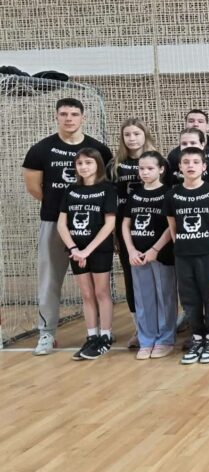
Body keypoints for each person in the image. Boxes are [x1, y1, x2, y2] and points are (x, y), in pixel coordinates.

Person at [23, 98, 112, 355]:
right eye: (64, 114)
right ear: (56, 117)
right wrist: (65, 208)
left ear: (83, 117)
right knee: (49, 278)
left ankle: (101, 332)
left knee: (96, 284)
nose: (69, 118)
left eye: (74, 114)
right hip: (55, 223)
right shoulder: (41, 149)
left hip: (94, 227)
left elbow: (106, 183)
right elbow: (33, 187)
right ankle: (47, 333)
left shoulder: (99, 149)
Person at [165, 147, 209, 365]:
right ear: (180, 167)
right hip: (183, 254)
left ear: (203, 166)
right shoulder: (172, 195)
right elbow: (172, 225)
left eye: (195, 162)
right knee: (190, 298)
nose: (190, 166)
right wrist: (181, 244)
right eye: (186, 162)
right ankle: (197, 337)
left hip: (208, 254)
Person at [57, 148, 117, 360]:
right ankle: (92, 336)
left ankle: (106, 336)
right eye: (80, 163)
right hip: (76, 251)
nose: (83, 167)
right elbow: (61, 223)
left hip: (98, 249)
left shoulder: (107, 189)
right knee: (87, 294)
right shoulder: (71, 190)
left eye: (88, 162)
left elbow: (110, 223)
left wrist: (87, 251)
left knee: (101, 292)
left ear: (97, 164)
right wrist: (74, 249)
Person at [109, 117, 160, 349]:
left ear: (145, 135)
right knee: (132, 280)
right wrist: (114, 233)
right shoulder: (115, 165)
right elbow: (109, 203)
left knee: (159, 280)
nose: (132, 138)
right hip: (127, 229)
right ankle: (140, 329)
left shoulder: (158, 161)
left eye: (136, 134)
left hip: (155, 228)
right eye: (127, 134)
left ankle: (161, 326)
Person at [121, 151, 176, 359]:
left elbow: (171, 226)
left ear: (161, 169)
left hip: (162, 254)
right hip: (138, 255)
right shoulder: (134, 195)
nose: (145, 172)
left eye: (150, 168)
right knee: (143, 299)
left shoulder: (169, 193)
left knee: (165, 297)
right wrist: (131, 249)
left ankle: (165, 339)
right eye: (141, 168)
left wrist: (155, 250)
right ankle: (146, 339)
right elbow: (125, 224)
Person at [166, 109, 209, 179]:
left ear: (208, 126)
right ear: (185, 125)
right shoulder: (174, 155)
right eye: (191, 121)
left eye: (200, 121)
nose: (195, 124)